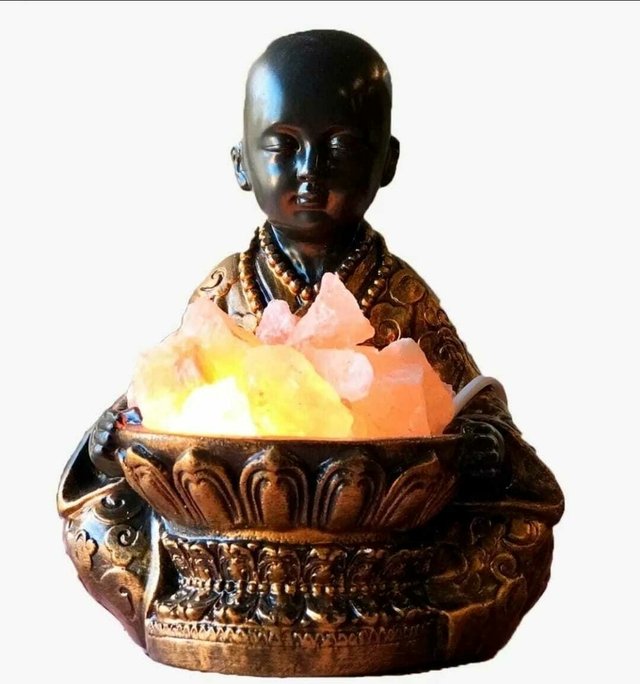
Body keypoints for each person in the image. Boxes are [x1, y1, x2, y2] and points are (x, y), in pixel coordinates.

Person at [58, 29, 563, 669]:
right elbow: (160, 393)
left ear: (387, 161)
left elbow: (470, 398)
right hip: (234, 530)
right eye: (283, 147)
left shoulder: (398, 292)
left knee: (516, 534)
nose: (309, 173)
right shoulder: (229, 287)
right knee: (100, 516)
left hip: (374, 534)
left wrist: (487, 442)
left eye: (340, 148)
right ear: (241, 163)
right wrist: (114, 435)